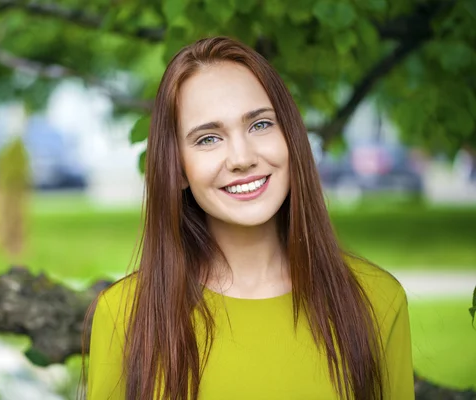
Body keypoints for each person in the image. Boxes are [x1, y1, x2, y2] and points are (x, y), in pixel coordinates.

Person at [84, 36, 414, 400]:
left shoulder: (377, 300)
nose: (241, 157)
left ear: (292, 138)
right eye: (208, 138)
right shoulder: (123, 316)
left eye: (259, 125)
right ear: (177, 169)